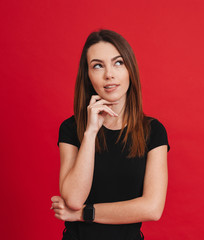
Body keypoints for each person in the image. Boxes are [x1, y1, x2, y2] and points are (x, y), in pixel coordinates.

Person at [50, 29, 170, 240]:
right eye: (98, 66)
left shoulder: (153, 131)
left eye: (118, 63)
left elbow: (152, 208)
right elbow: (74, 199)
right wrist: (91, 132)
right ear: (87, 75)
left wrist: (83, 214)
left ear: (130, 69)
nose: (109, 74)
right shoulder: (71, 129)